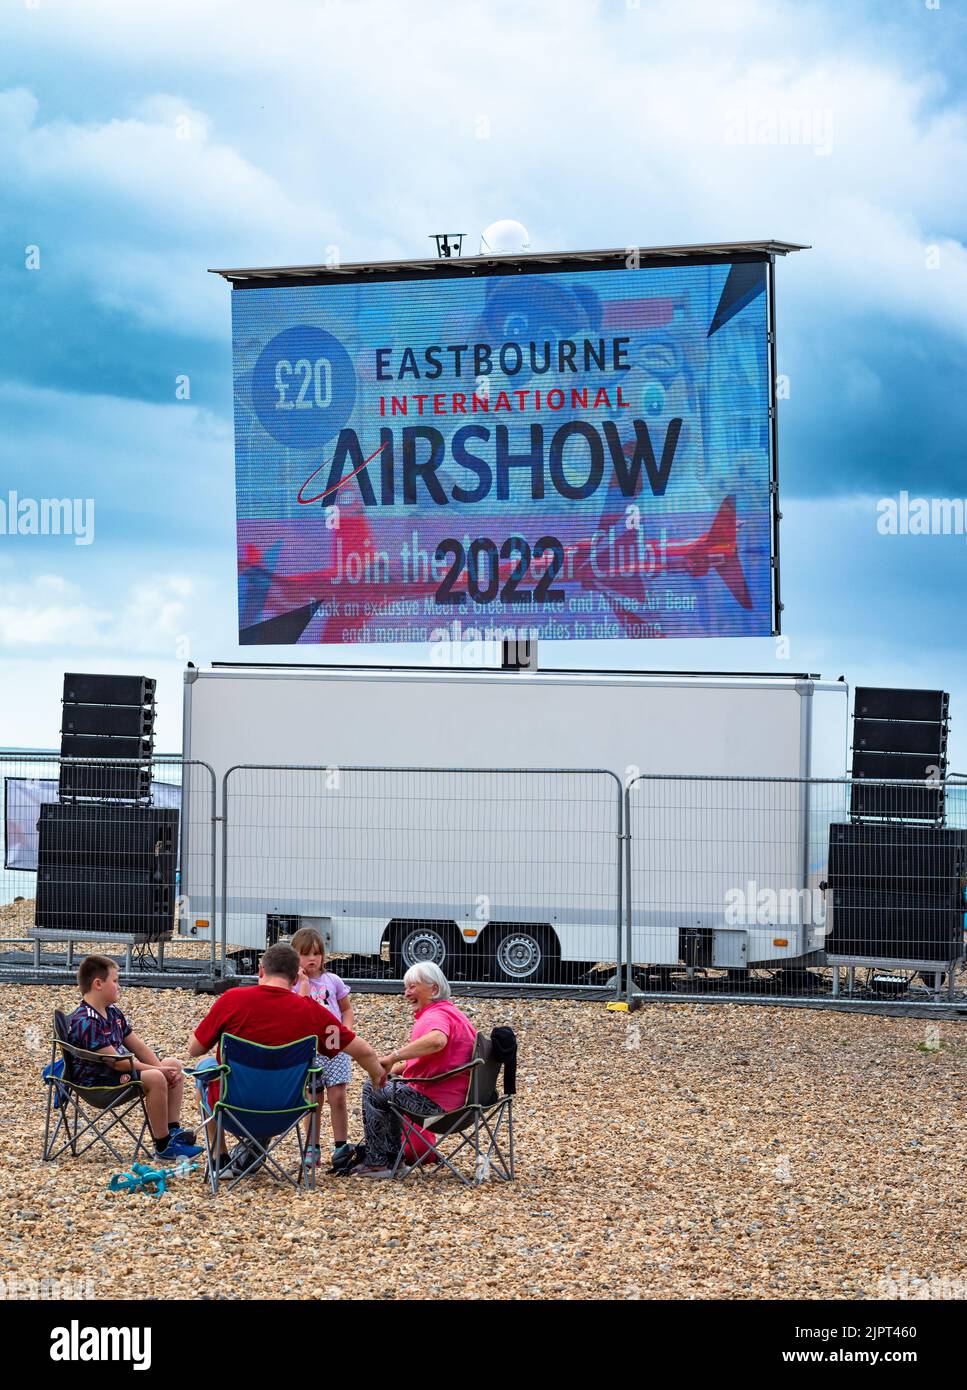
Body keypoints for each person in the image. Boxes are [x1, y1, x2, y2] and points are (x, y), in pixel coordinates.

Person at [187, 942, 385, 1173]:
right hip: (287, 1112)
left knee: (205, 1066)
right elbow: (364, 1051)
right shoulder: (311, 1011)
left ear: (261, 971)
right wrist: (377, 1075)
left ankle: (220, 1159)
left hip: (232, 1108)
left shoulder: (231, 1000)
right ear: (295, 980)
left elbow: (194, 1049)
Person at [65, 954, 201, 1161]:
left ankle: (173, 1132)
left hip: (116, 1074)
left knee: (172, 1064)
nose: (120, 986)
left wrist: (165, 1071)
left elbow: (138, 1046)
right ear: (98, 984)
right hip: (99, 1085)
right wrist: (158, 1072)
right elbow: (118, 1063)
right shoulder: (86, 1021)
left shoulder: (113, 1013)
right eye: (115, 981)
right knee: (155, 1077)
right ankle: (163, 1146)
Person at [353, 961, 476, 1179]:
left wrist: (394, 1056)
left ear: (434, 989)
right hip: (465, 1102)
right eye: (405, 987)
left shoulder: (435, 1016)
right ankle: (394, 1160)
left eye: (412, 987)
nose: (406, 993)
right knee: (388, 1086)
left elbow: (437, 1041)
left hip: (440, 1107)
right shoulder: (453, 1013)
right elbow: (437, 1058)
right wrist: (396, 1068)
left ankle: (380, 1162)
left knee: (373, 1089)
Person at [290, 926, 354, 1168]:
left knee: (338, 1097)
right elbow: (298, 1010)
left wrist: (346, 1031)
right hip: (308, 1049)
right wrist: (303, 982)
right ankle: (312, 1146)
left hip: (334, 1045)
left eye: (316, 954)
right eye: (306, 954)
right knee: (313, 1099)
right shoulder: (294, 986)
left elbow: (346, 1009)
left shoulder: (333, 981)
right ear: (295, 957)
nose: (312, 959)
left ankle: (341, 1147)